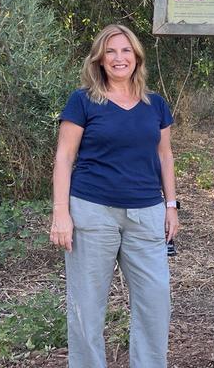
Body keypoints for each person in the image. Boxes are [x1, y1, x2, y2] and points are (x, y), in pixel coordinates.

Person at [49, 24, 179, 368]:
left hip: (147, 215)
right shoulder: (83, 101)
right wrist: (61, 213)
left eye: (125, 51)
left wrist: (171, 206)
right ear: (100, 59)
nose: (119, 58)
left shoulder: (156, 105)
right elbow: (64, 157)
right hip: (92, 213)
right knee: (87, 307)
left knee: (155, 301)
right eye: (110, 51)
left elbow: (165, 156)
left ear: (136, 57)